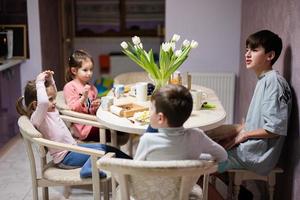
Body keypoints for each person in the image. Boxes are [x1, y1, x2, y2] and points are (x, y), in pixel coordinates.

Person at [16, 70, 131, 178]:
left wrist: (51, 81)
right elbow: (44, 102)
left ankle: (133, 163)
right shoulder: (38, 117)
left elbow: (51, 95)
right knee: (99, 153)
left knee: (106, 148)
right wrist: (39, 81)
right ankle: (86, 170)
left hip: (73, 148)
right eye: (51, 99)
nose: (54, 102)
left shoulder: (51, 110)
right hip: (65, 158)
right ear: (36, 105)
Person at [211, 30, 292, 177]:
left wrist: (244, 135)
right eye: (247, 50)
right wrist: (239, 132)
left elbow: (275, 129)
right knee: (211, 140)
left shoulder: (273, 82)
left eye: (254, 50)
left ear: (270, 55)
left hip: (255, 155)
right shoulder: (266, 79)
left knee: (197, 167)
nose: (247, 54)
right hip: (252, 149)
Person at [134, 84, 227, 163]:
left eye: (151, 109)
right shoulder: (197, 136)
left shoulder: (147, 140)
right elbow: (223, 156)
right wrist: (197, 161)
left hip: (152, 184)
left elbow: (134, 170)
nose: (149, 111)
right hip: (187, 185)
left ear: (160, 118)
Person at [63, 50, 102, 141]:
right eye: (85, 70)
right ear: (74, 71)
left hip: (94, 123)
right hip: (83, 129)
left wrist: (97, 105)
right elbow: (72, 109)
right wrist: (83, 97)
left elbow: (91, 110)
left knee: (119, 128)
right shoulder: (70, 87)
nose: (89, 73)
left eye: (91, 70)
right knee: (114, 130)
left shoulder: (92, 88)